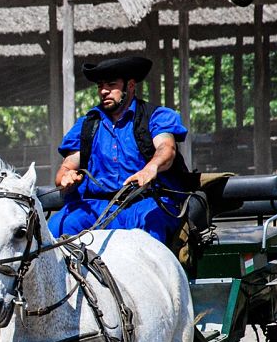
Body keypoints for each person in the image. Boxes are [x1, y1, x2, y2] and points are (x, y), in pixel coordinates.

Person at [49, 55, 189, 245]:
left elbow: (167, 149)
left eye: (111, 84)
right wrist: (66, 177)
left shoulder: (156, 116)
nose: (104, 91)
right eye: (100, 86)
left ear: (130, 86)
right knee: (58, 226)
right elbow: (67, 167)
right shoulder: (87, 125)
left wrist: (151, 168)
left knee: (152, 225)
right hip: (97, 207)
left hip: (145, 202)